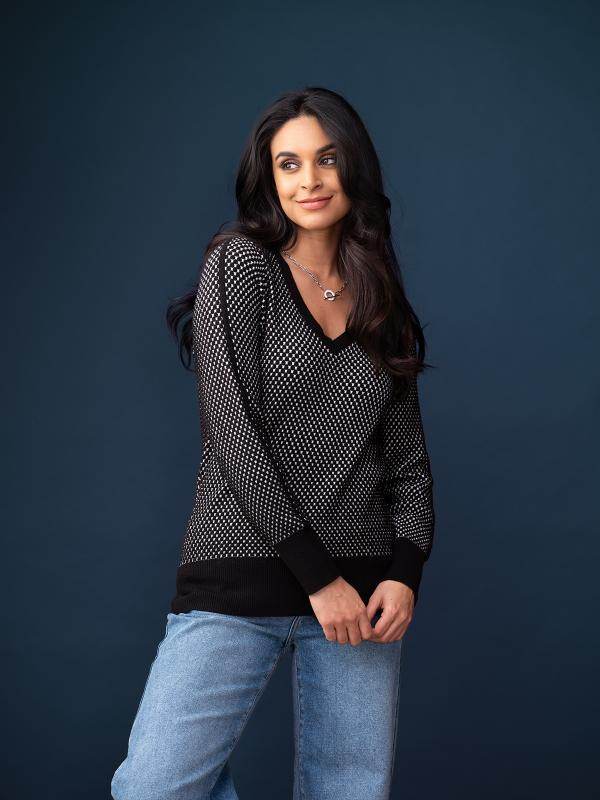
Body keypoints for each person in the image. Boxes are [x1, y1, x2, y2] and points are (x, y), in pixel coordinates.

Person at [111, 86, 436, 800]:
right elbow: (234, 434)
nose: (309, 180)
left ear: (354, 167)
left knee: (349, 791)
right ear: (269, 177)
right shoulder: (240, 264)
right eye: (289, 164)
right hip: (241, 572)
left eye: (326, 159)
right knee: (155, 787)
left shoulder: (380, 297)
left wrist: (404, 571)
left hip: (363, 597)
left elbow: (407, 461)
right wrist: (319, 579)